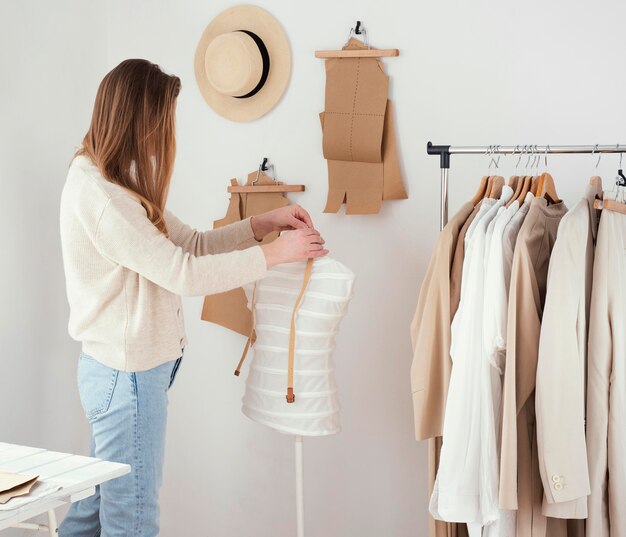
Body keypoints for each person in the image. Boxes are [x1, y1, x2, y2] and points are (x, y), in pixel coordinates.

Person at [58, 58, 328, 537]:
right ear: (137, 120)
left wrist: (261, 228)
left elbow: (192, 244)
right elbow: (182, 273)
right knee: (132, 521)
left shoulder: (113, 179)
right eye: (161, 123)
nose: (165, 135)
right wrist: (273, 257)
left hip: (119, 374)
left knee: (94, 512)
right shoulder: (105, 198)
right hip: (128, 379)